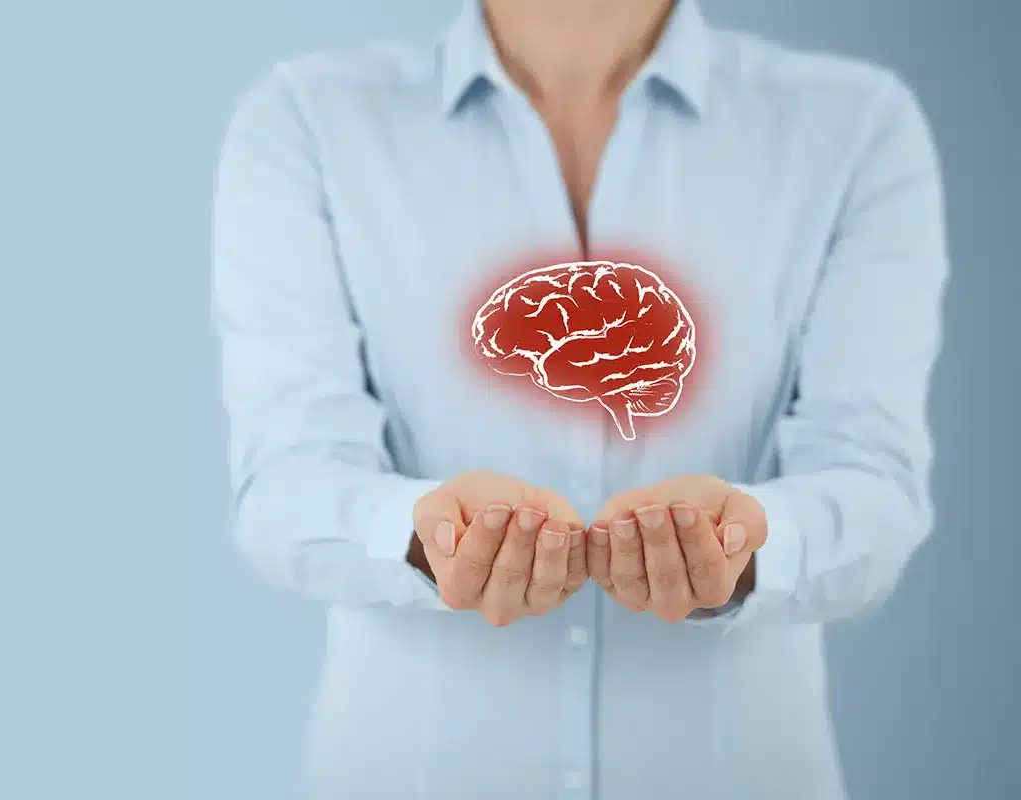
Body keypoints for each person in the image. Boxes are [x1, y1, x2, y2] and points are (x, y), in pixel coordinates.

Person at [211, 0, 948, 796]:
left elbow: (873, 476)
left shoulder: (852, 126)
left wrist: (753, 548)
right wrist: (418, 537)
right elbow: (285, 481)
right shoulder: (312, 120)